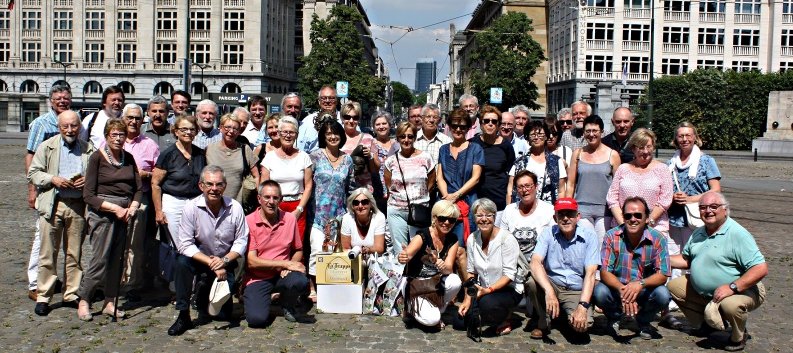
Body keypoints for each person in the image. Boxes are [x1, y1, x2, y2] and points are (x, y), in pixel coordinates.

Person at [668, 192, 768, 352]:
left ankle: (738, 336)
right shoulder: (699, 232)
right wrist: (662, 258)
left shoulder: (737, 234)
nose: (708, 211)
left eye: (714, 207)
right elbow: (687, 259)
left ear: (725, 210)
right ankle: (708, 324)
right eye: (703, 207)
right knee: (675, 286)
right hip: (709, 291)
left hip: (743, 289)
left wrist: (732, 287)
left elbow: (760, 268)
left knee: (731, 305)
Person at [28, 110, 95, 315]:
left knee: (74, 253)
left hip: (76, 206)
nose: (69, 130)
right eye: (65, 126)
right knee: (48, 253)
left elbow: (96, 174)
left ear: (79, 127)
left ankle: (71, 293)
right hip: (53, 203)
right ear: (59, 127)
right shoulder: (47, 146)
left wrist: (87, 180)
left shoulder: (88, 149)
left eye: (74, 126)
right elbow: (33, 173)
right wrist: (53, 179)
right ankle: (44, 296)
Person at [167, 166, 249, 335]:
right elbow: (185, 244)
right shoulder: (191, 207)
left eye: (219, 184)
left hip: (226, 261)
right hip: (201, 259)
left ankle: (203, 290)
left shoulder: (235, 207)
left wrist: (224, 261)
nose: (214, 188)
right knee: (181, 262)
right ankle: (183, 315)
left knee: (222, 315)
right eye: (209, 184)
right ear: (201, 186)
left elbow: (241, 241)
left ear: (225, 186)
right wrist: (212, 263)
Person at [77, 119, 142, 321]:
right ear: (106, 136)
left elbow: (138, 188)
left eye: (121, 135)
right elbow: (88, 195)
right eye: (114, 134)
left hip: (125, 213)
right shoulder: (97, 158)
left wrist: (132, 206)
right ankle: (84, 299)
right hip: (104, 213)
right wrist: (114, 208)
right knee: (100, 259)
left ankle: (110, 300)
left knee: (117, 260)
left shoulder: (129, 158)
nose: (118, 138)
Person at [593, 196, 671, 340]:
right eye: (628, 215)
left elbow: (663, 274)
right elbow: (604, 272)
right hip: (617, 289)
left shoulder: (658, 238)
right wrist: (624, 290)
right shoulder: (611, 236)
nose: (633, 219)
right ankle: (615, 317)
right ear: (623, 217)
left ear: (647, 218)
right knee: (599, 292)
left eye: (638, 215)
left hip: (643, 289)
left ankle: (643, 321)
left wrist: (640, 284)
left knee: (663, 295)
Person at [25, 84, 74, 301]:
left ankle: (56, 280)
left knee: (67, 241)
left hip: (69, 192)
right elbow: (31, 156)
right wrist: (32, 189)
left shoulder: (74, 121)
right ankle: (36, 282)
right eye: (58, 98)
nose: (62, 101)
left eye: (65, 97)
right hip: (47, 189)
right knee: (42, 238)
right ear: (51, 101)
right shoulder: (40, 123)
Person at [243, 180, 313, 327]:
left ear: (280, 200)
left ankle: (287, 303)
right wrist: (285, 263)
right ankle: (261, 299)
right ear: (259, 199)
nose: (271, 202)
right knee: (257, 320)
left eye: (275, 198)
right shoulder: (248, 221)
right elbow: (252, 261)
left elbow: (298, 250)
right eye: (267, 197)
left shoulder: (289, 219)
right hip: (258, 278)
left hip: (282, 275)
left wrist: (288, 267)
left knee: (300, 281)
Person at [527, 198, 599, 339]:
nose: (566, 218)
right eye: (561, 214)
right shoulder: (548, 233)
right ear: (555, 218)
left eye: (570, 214)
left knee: (583, 326)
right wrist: (549, 292)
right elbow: (535, 262)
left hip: (575, 289)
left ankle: (562, 315)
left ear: (578, 216)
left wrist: (583, 306)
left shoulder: (590, 236)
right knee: (531, 282)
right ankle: (543, 322)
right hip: (553, 284)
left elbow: (591, 274)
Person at [458, 198, 523, 336]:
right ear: (474, 218)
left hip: (508, 289)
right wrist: (467, 299)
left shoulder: (506, 239)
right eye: (479, 215)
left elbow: (509, 275)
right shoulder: (472, 239)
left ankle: (507, 318)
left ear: (495, 216)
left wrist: (488, 290)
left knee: (487, 304)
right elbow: (471, 272)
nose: (484, 219)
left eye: (489, 215)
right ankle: (489, 315)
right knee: (460, 321)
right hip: (484, 290)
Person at [667, 121, 721, 281]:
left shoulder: (706, 161)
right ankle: (673, 294)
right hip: (674, 218)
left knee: (695, 255)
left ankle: (693, 292)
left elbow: (716, 189)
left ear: (695, 137)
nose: (684, 139)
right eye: (681, 136)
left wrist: (690, 199)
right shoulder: (670, 163)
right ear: (676, 139)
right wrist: (672, 197)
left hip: (697, 218)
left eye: (688, 135)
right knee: (673, 256)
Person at [307, 121, 354, 300]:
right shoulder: (315, 157)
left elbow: (350, 187)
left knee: (334, 254)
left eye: (335, 133)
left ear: (341, 136)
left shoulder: (347, 159)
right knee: (317, 251)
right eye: (328, 134)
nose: (332, 137)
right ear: (323, 137)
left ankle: (330, 287)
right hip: (318, 214)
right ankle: (313, 287)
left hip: (339, 215)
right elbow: (307, 184)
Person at [118, 104, 161, 301]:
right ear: (123, 118)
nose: (133, 121)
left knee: (134, 245)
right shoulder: (114, 141)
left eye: (137, 118)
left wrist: (145, 174)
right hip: (115, 198)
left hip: (140, 197)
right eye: (130, 118)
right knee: (113, 243)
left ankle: (131, 284)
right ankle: (111, 281)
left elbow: (158, 175)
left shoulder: (149, 145)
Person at [398, 200, 462, 329]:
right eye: (443, 218)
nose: (447, 223)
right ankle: (412, 308)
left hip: (434, 283)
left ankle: (435, 309)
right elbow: (407, 255)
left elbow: (449, 269)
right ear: (434, 218)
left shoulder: (453, 239)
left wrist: (440, 264)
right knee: (432, 320)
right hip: (417, 285)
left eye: (452, 220)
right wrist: (403, 257)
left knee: (455, 281)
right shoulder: (422, 236)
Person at [151, 115, 208, 259]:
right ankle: (174, 279)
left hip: (195, 203)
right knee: (176, 244)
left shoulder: (200, 154)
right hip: (173, 203)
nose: (188, 132)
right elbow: (155, 184)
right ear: (176, 131)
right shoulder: (167, 155)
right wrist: (158, 211)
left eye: (192, 129)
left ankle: (192, 279)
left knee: (195, 241)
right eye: (184, 129)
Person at [565, 115, 621, 243]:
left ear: (601, 132)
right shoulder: (577, 154)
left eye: (595, 131)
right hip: (582, 210)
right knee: (584, 245)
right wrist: (569, 207)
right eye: (588, 131)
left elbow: (617, 186)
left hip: (605, 211)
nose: (591, 134)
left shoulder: (613, 155)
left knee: (603, 246)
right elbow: (571, 183)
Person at [607, 128, 673, 233]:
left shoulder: (662, 169)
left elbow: (665, 200)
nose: (646, 151)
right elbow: (612, 199)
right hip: (624, 228)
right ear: (633, 148)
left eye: (649, 146)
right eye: (641, 147)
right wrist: (624, 224)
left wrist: (648, 222)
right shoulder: (623, 169)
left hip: (654, 228)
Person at [384, 121, 435, 254]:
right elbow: (389, 184)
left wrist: (419, 196)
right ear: (398, 138)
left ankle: (415, 275)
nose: (406, 140)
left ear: (415, 137)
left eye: (410, 136)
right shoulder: (390, 161)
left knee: (419, 250)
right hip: (396, 210)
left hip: (419, 210)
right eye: (402, 136)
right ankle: (402, 275)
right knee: (401, 251)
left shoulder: (426, 158)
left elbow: (430, 182)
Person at [261, 115, 313, 238]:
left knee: (296, 244)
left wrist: (299, 209)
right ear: (279, 133)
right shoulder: (270, 157)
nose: (288, 135)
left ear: (296, 135)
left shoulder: (304, 157)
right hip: (274, 205)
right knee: (276, 243)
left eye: (292, 132)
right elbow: (263, 186)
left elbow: (309, 186)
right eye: (284, 132)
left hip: (297, 206)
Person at [437, 108, 484, 247]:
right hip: (446, 202)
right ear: (449, 127)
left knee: (462, 246)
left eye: (462, 126)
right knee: (442, 243)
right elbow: (440, 177)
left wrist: (456, 195)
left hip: (467, 202)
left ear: (468, 128)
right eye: (454, 126)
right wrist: (447, 198)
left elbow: (476, 178)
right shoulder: (443, 149)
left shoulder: (475, 149)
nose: (458, 129)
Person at [470, 105, 515, 225]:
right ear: (481, 124)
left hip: (499, 202)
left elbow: (511, 173)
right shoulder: (472, 144)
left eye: (494, 121)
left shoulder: (506, 146)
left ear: (498, 124)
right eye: (486, 121)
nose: (490, 124)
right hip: (477, 201)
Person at [499, 170, 555, 263]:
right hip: (513, 263)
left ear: (536, 186)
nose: (524, 190)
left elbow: (553, 243)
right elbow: (502, 240)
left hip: (539, 264)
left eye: (528, 186)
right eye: (520, 187)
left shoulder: (549, 210)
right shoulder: (509, 210)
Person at [509, 121, 566, 205]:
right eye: (532, 135)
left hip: (549, 211)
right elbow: (510, 189)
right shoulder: (519, 163)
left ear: (546, 136)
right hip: (523, 210)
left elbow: (561, 191)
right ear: (527, 138)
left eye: (540, 134)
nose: (536, 137)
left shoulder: (557, 162)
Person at [206, 113, 259, 200]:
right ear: (221, 128)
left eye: (235, 129)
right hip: (214, 201)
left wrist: (256, 196)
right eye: (227, 127)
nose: (231, 131)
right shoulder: (209, 149)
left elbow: (256, 176)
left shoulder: (245, 149)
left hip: (238, 203)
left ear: (238, 132)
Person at [339, 101, 376, 192]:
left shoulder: (368, 138)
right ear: (342, 118)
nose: (351, 121)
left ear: (359, 119)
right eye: (347, 117)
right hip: (342, 190)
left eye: (355, 118)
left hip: (364, 190)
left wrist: (370, 156)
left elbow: (374, 170)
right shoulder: (336, 139)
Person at [340, 188, 386, 258]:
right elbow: (345, 248)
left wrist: (368, 250)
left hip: (374, 260)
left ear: (371, 204)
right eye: (356, 203)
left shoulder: (379, 217)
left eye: (364, 202)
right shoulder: (347, 218)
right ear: (352, 206)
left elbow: (379, 248)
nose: (360, 206)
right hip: (354, 260)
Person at [370, 111, 398, 213]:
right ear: (373, 127)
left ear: (389, 125)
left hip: (395, 191)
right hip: (377, 190)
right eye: (377, 124)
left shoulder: (397, 144)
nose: (381, 127)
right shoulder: (371, 143)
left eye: (384, 123)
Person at [297, 86, 338, 153]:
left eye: (331, 98)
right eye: (323, 98)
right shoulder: (307, 121)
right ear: (319, 101)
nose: (327, 101)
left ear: (336, 101)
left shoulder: (345, 120)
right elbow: (300, 147)